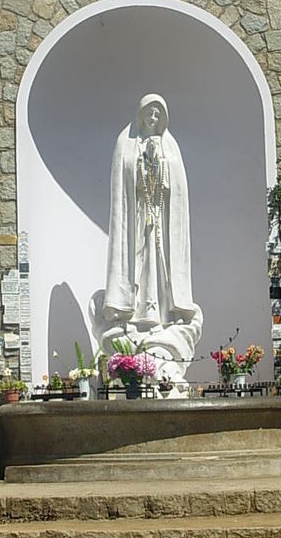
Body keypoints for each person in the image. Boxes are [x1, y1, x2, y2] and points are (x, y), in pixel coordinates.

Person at [91, 94, 202, 386]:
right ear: (140, 115)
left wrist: (161, 172)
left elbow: (177, 188)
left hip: (161, 223)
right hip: (137, 220)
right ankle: (134, 314)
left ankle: (163, 317)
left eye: (157, 116)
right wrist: (140, 173)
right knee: (138, 267)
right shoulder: (126, 143)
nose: (152, 120)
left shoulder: (171, 147)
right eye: (148, 115)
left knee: (160, 270)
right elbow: (122, 183)